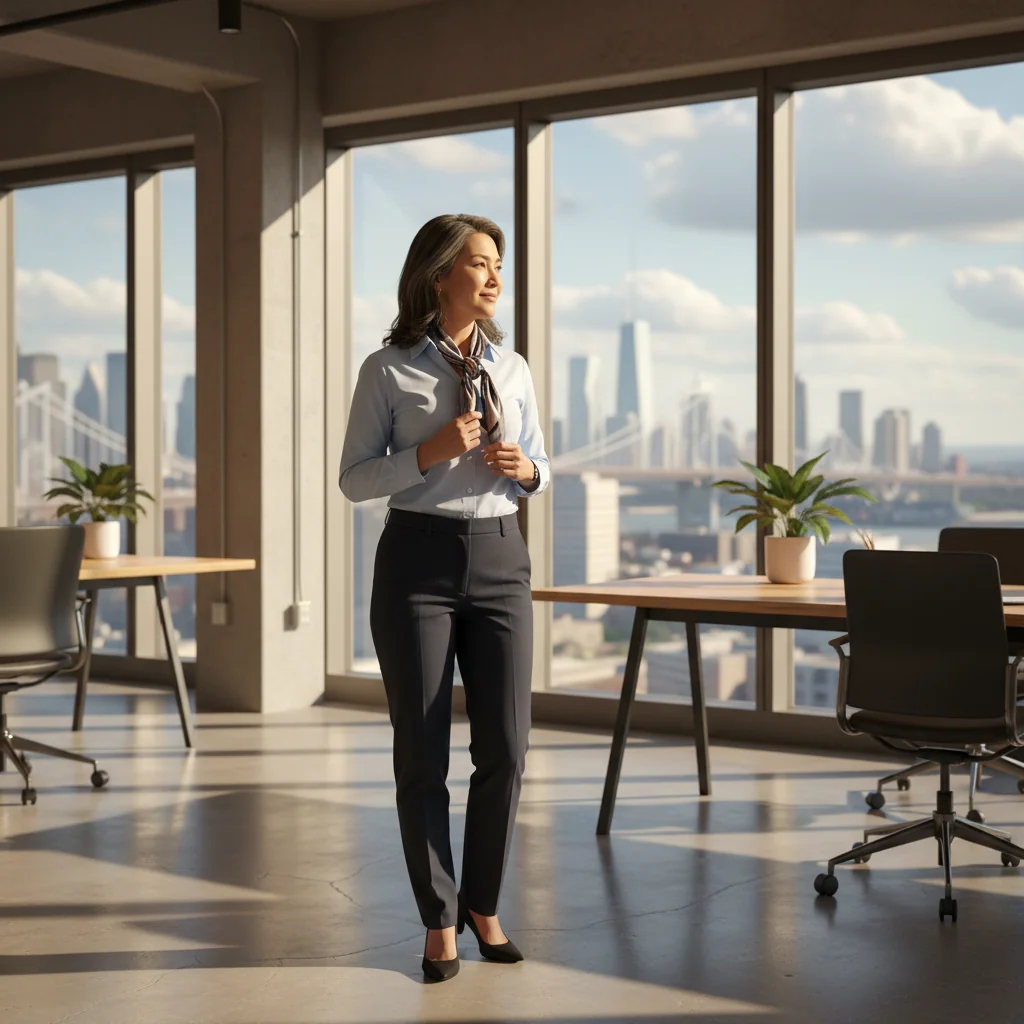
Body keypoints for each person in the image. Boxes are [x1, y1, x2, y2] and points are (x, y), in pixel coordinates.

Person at [339, 214, 549, 983]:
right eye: (482, 264)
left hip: (500, 554)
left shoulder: (512, 368)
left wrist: (526, 470)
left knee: (507, 747)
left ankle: (483, 905)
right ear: (440, 275)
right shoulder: (387, 370)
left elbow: (542, 464)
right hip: (417, 562)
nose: (496, 278)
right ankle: (439, 918)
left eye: (498, 265)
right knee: (422, 753)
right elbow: (354, 478)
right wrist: (428, 453)